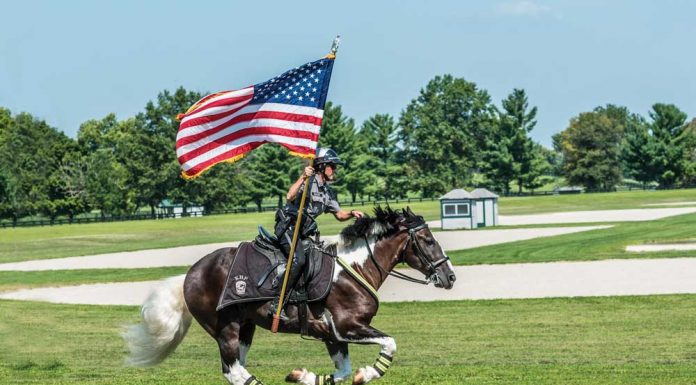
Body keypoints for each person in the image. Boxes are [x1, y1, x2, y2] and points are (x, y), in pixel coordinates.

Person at [269, 148, 364, 319]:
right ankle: (276, 303)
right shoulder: (308, 181)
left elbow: (340, 215)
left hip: (304, 233)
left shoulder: (328, 192)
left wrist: (352, 213)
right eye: (332, 166)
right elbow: (289, 196)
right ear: (321, 166)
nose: (334, 169)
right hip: (289, 228)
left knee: (318, 259)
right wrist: (303, 177)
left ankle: (303, 297)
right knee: (298, 260)